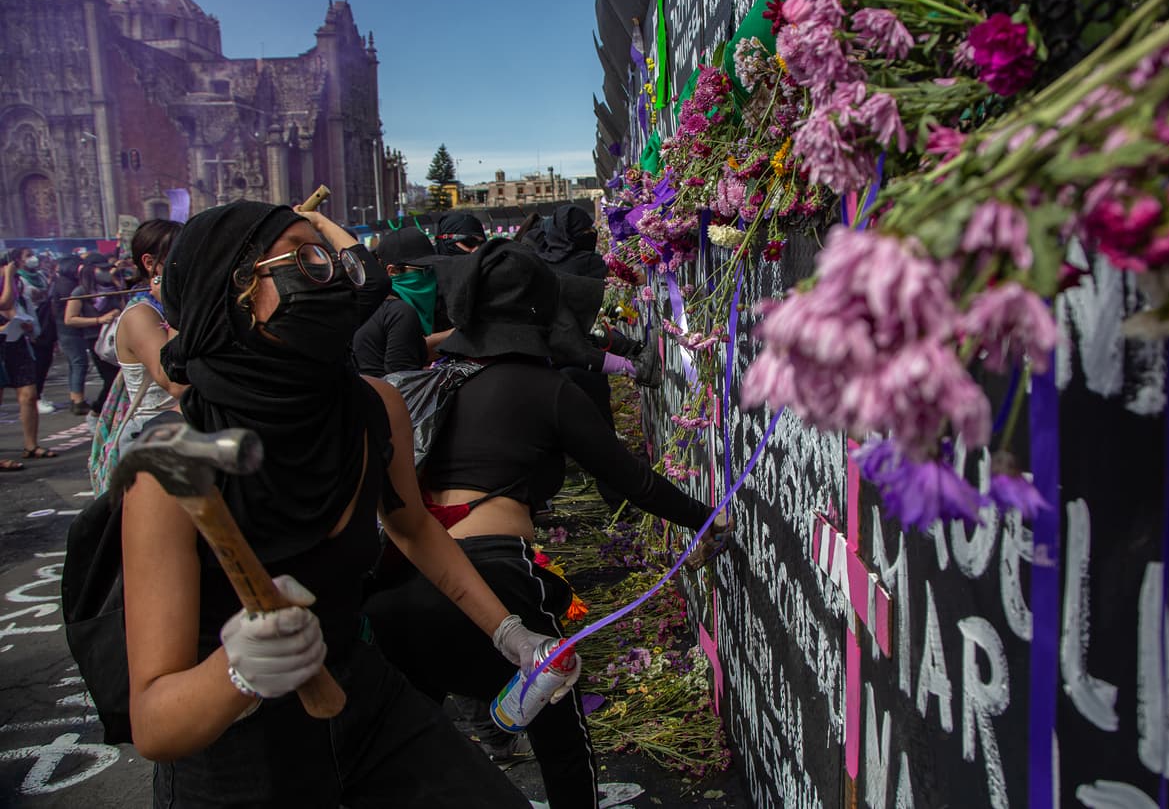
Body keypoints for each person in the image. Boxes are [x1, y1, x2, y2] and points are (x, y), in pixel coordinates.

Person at [121, 200, 561, 807]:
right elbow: (154, 722)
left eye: (331, 258)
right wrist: (238, 671)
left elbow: (414, 529)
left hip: (365, 699)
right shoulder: (171, 468)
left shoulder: (374, 407)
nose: (333, 276)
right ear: (238, 293)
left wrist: (510, 633)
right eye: (305, 261)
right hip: (235, 758)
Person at [363, 240, 729, 809]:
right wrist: (707, 520)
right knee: (561, 741)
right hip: (496, 579)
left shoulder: (439, 377)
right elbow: (633, 480)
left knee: (391, 754)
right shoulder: (547, 390)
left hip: (403, 588)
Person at [112, 220, 185, 452]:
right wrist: (175, 309)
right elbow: (175, 383)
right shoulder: (141, 315)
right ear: (150, 263)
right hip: (152, 438)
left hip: (181, 429)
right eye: (179, 257)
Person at [351, 227, 433, 377]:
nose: (431, 276)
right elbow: (403, 381)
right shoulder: (397, 312)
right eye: (424, 270)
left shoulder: (364, 306)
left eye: (433, 269)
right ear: (392, 271)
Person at [0, 254, 54, 465]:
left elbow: (12, 307)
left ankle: (31, 445)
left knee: (29, 394)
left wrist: (24, 323)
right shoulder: (10, 277)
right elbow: (4, 301)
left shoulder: (15, 281)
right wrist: (10, 274)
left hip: (16, 343)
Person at [64, 252, 124, 418]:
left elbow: (125, 306)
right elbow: (70, 319)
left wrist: (117, 283)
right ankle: (97, 411)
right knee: (110, 379)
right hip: (96, 340)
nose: (105, 272)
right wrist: (99, 320)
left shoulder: (113, 287)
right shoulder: (80, 291)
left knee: (123, 377)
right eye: (102, 269)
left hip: (115, 336)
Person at [11, 247, 59, 414]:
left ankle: (39, 393)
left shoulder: (40, 276)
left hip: (45, 322)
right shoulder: (17, 280)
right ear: (18, 260)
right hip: (26, 324)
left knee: (45, 360)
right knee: (34, 364)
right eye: (28, 255)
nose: (33, 258)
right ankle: (35, 398)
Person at [50, 256, 92, 415]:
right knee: (79, 363)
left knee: (75, 364)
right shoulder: (67, 286)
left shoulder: (61, 283)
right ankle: (78, 400)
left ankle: (75, 398)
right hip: (69, 331)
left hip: (65, 331)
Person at [526, 204, 607, 278]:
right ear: (569, 234)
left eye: (590, 228)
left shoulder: (543, 263)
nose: (593, 232)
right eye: (586, 229)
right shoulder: (589, 262)